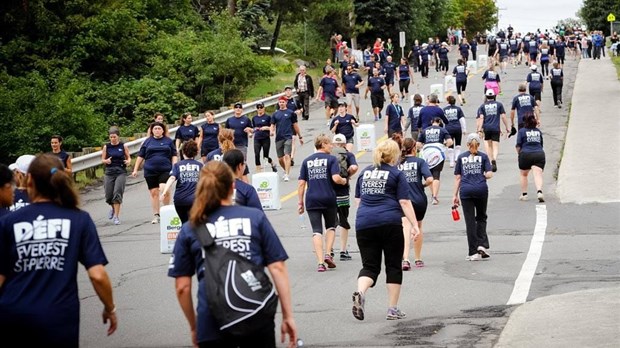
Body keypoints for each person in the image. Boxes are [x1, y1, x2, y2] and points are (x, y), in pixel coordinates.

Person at [167, 161, 297, 347]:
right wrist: (288, 315)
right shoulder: (254, 217)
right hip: (255, 314)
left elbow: (182, 287)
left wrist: (195, 326)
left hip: (211, 320)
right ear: (232, 186)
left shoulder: (191, 228)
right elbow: (277, 267)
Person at [0, 153, 118, 345]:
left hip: (13, 315)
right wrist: (110, 307)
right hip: (58, 317)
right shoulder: (79, 219)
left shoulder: (9, 221)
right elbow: (97, 275)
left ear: (29, 180)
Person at [351, 139, 420, 321]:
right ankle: (392, 309)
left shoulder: (364, 173)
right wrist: (414, 225)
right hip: (389, 222)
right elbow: (404, 202)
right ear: (394, 155)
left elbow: (358, 201)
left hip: (365, 223)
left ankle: (360, 291)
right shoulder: (396, 174)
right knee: (393, 265)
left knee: (370, 266)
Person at [297, 134, 347, 272]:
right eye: (329, 143)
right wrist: (344, 181)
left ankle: (320, 263)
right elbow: (336, 178)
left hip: (312, 199)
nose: (331, 146)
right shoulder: (331, 159)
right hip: (328, 197)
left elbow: (301, 184)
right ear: (323, 144)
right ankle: (328, 253)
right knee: (331, 227)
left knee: (316, 231)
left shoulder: (306, 161)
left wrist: (300, 202)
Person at [453, 133, 493, 261]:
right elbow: (489, 174)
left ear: (467, 145)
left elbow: (458, 178)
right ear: (479, 144)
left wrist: (455, 195)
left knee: (470, 221)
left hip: (466, 191)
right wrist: (484, 175)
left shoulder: (461, 157)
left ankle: (473, 252)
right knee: (481, 217)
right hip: (481, 190)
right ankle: (482, 244)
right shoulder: (484, 157)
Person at [132, 122, 178, 224]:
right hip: (150, 170)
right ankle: (156, 215)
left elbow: (174, 155)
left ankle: (166, 211)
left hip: (165, 169)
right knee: (154, 193)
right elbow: (141, 156)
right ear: (152, 130)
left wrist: (175, 166)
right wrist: (135, 169)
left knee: (163, 188)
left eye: (159, 128)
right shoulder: (147, 142)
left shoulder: (168, 141)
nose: (157, 130)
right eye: (155, 129)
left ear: (163, 130)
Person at [397, 137, 433, 270]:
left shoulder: (398, 163)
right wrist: (422, 185)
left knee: (405, 227)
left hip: (403, 199)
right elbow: (430, 179)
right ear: (414, 148)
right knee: (418, 226)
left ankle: (405, 258)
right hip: (419, 198)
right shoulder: (420, 162)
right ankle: (418, 258)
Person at [331, 134, 359, 262]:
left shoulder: (328, 154)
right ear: (344, 143)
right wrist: (348, 175)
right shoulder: (348, 154)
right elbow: (354, 167)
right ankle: (343, 250)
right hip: (342, 192)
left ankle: (329, 250)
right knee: (343, 220)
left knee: (329, 222)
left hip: (329, 192)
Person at [161, 140, 203, 224]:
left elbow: (172, 178)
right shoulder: (200, 166)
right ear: (196, 152)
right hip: (195, 199)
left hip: (180, 199)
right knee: (196, 223)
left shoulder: (177, 165)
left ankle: (185, 235)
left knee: (184, 222)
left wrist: (164, 191)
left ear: (183, 152)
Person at [417, 117, 453, 205]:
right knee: (436, 174)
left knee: (429, 175)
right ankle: (435, 197)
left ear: (431, 122)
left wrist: (424, 147)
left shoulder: (425, 130)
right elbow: (450, 142)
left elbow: (418, 144)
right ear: (439, 122)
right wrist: (444, 144)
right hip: (437, 152)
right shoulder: (442, 130)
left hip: (426, 152)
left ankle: (433, 193)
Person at [101, 126, 131, 225]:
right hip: (109, 172)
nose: (113, 139)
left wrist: (128, 161)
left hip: (120, 172)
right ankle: (113, 209)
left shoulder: (123, 146)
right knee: (108, 196)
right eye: (111, 137)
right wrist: (106, 161)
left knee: (117, 193)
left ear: (118, 136)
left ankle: (116, 217)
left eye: (114, 137)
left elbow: (129, 158)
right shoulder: (106, 147)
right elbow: (103, 159)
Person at [271, 96, 303, 182]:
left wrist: (300, 136)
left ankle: (287, 175)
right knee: (280, 158)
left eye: (283, 102)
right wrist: (271, 131)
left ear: (286, 103)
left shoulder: (291, 113)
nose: (281, 103)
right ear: (278, 103)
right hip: (278, 137)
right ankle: (285, 170)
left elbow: (295, 125)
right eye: (280, 102)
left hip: (288, 136)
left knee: (287, 155)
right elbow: (272, 125)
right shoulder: (275, 114)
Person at [476, 89, 510, 172]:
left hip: (487, 128)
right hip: (495, 128)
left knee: (488, 144)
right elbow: (503, 117)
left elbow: (481, 118)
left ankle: (490, 160)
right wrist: (507, 127)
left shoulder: (482, 106)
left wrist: (479, 129)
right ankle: (494, 158)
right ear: (494, 96)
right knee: (495, 145)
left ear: (486, 96)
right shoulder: (499, 105)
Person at [516, 113, 546, 203]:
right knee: (538, 174)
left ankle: (524, 194)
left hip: (525, 154)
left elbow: (518, 146)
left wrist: (519, 154)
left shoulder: (521, 131)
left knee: (524, 174)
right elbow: (541, 144)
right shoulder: (538, 131)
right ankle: (539, 192)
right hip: (539, 154)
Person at [443, 96, 467, 168]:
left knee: (450, 146)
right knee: (458, 144)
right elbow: (462, 119)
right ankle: (457, 157)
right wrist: (464, 129)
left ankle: (451, 162)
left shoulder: (444, 110)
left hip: (448, 129)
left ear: (448, 101)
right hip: (457, 128)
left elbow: (442, 120)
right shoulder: (458, 109)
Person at [252, 102, 276, 173]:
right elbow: (253, 128)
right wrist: (251, 132)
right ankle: (258, 171)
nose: (259, 109)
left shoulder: (268, 117)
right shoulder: (254, 118)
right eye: (258, 108)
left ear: (264, 108)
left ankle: (272, 163)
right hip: (257, 138)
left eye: (261, 107)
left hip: (265, 138)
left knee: (265, 156)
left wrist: (267, 128)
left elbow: (272, 128)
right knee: (256, 154)